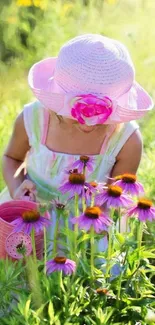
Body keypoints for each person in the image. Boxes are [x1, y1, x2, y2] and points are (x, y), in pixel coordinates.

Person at [0, 34, 154, 245]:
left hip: (88, 225)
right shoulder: (33, 119)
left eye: (101, 118)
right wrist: (16, 187)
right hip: (30, 214)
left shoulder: (125, 140)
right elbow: (12, 158)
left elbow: (115, 197)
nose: (88, 124)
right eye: (79, 115)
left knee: (91, 271)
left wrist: (91, 224)